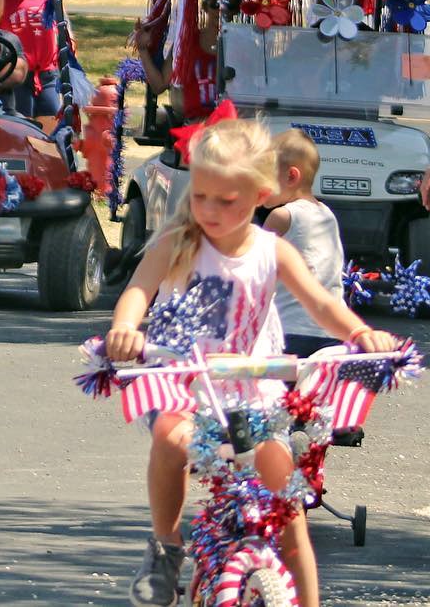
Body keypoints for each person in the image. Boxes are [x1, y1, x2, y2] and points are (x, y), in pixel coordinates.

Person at [103, 119, 396, 607]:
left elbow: (322, 304)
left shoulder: (272, 251)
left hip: (251, 396)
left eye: (226, 200)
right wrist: (127, 327)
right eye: (201, 196)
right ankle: (166, 547)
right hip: (188, 387)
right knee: (170, 436)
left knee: (289, 505)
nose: (210, 210)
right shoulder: (179, 242)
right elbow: (139, 288)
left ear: (262, 193)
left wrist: (361, 332)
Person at [263, 129, 346, 357]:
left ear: (291, 177)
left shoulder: (282, 216)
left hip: (290, 330)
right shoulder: (328, 215)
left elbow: (257, 269)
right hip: (333, 332)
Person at [135, 0, 237, 124]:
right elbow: (159, 85)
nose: (221, 12)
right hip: (195, 126)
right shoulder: (186, 43)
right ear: (205, 6)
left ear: (236, 10)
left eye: (229, 6)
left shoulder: (240, 46)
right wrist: (143, 50)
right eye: (216, 4)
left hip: (229, 126)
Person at [0, 0, 60, 123]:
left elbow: (63, 27)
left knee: (51, 125)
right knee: (22, 126)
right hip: (17, 74)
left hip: (47, 74)